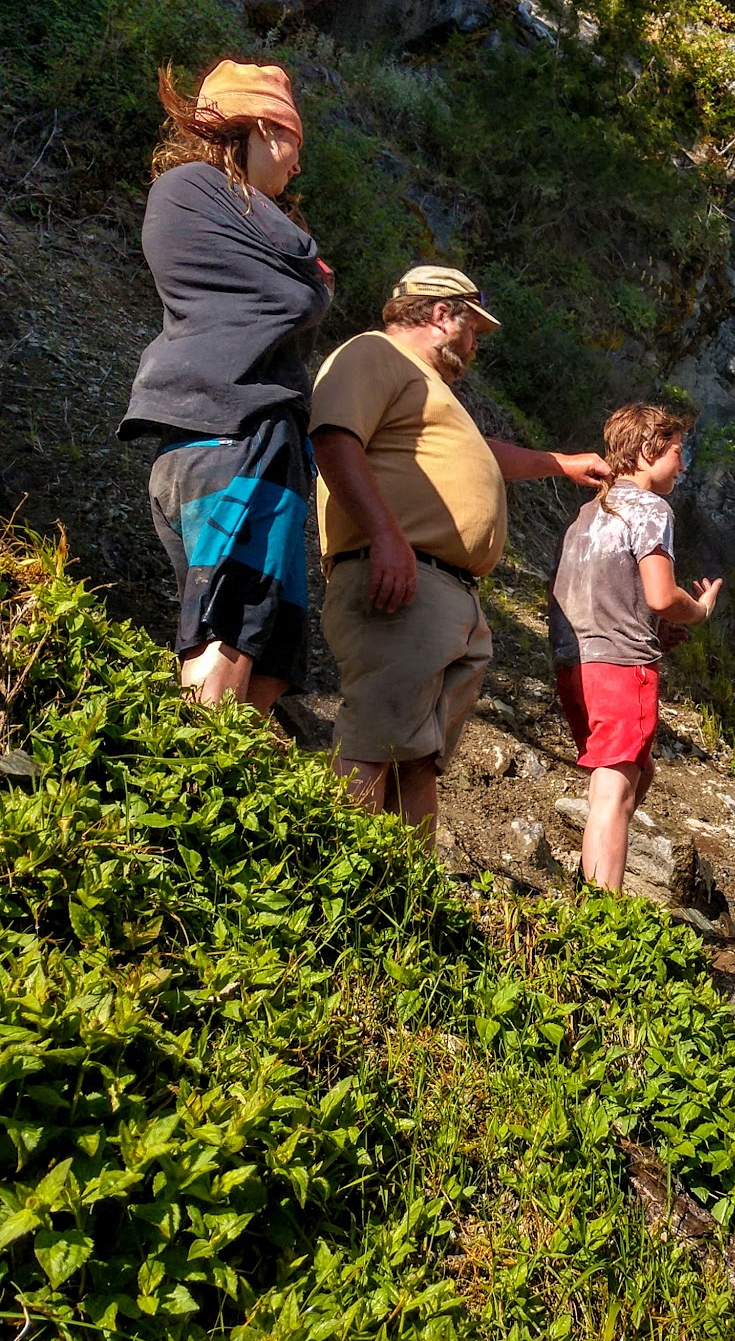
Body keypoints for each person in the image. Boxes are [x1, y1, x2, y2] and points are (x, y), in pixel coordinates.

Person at [309, 265, 610, 831]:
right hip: (401, 579)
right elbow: (333, 437)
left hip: (448, 593)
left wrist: (560, 464)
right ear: (442, 313)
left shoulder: (430, 393)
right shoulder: (374, 353)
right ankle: (334, 875)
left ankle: (405, 902)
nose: (475, 344)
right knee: (375, 742)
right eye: (472, 327)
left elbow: (482, 452)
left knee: (418, 761)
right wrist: (386, 536)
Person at [121, 59, 332, 711]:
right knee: (228, 637)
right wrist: (311, 274)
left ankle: (223, 797)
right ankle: (188, 798)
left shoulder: (222, 205)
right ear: (263, 126)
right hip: (236, 436)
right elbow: (303, 286)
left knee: (265, 659)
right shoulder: (192, 186)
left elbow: (296, 286)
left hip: (241, 438)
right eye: (294, 142)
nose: (297, 165)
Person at [547, 403, 723, 889]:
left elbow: (594, 589)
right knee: (617, 792)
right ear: (649, 451)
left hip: (574, 662)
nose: (682, 466)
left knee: (633, 773)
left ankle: (591, 883)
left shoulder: (586, 514)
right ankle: (601, 920)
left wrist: (653, 628)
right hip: (621, 666)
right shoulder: (651, 508)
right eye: (677, 452)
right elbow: (663, 595)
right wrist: (700, 610)